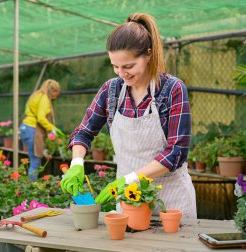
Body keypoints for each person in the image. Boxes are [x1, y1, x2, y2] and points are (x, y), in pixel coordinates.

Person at [61, 13, 197, 218]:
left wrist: (130, 179)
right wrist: (77, 163)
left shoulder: (172, 89)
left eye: (128, 66)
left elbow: (176, 152)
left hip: (171, 201)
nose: (121, 73)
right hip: (127, 201)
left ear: (148, 54)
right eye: (115, 66)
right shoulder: (111, 91)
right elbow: (84, 132)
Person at [20, 79, 62, 182]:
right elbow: (41, 118)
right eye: (55, 94)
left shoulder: (36, 95)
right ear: (52, 91)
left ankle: (30, 185)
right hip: (31, 129)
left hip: (25, 127)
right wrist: (52, 128)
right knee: (35, 162)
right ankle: (31, 188)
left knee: (33, 159)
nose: (55, 97)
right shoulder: (44, 98)